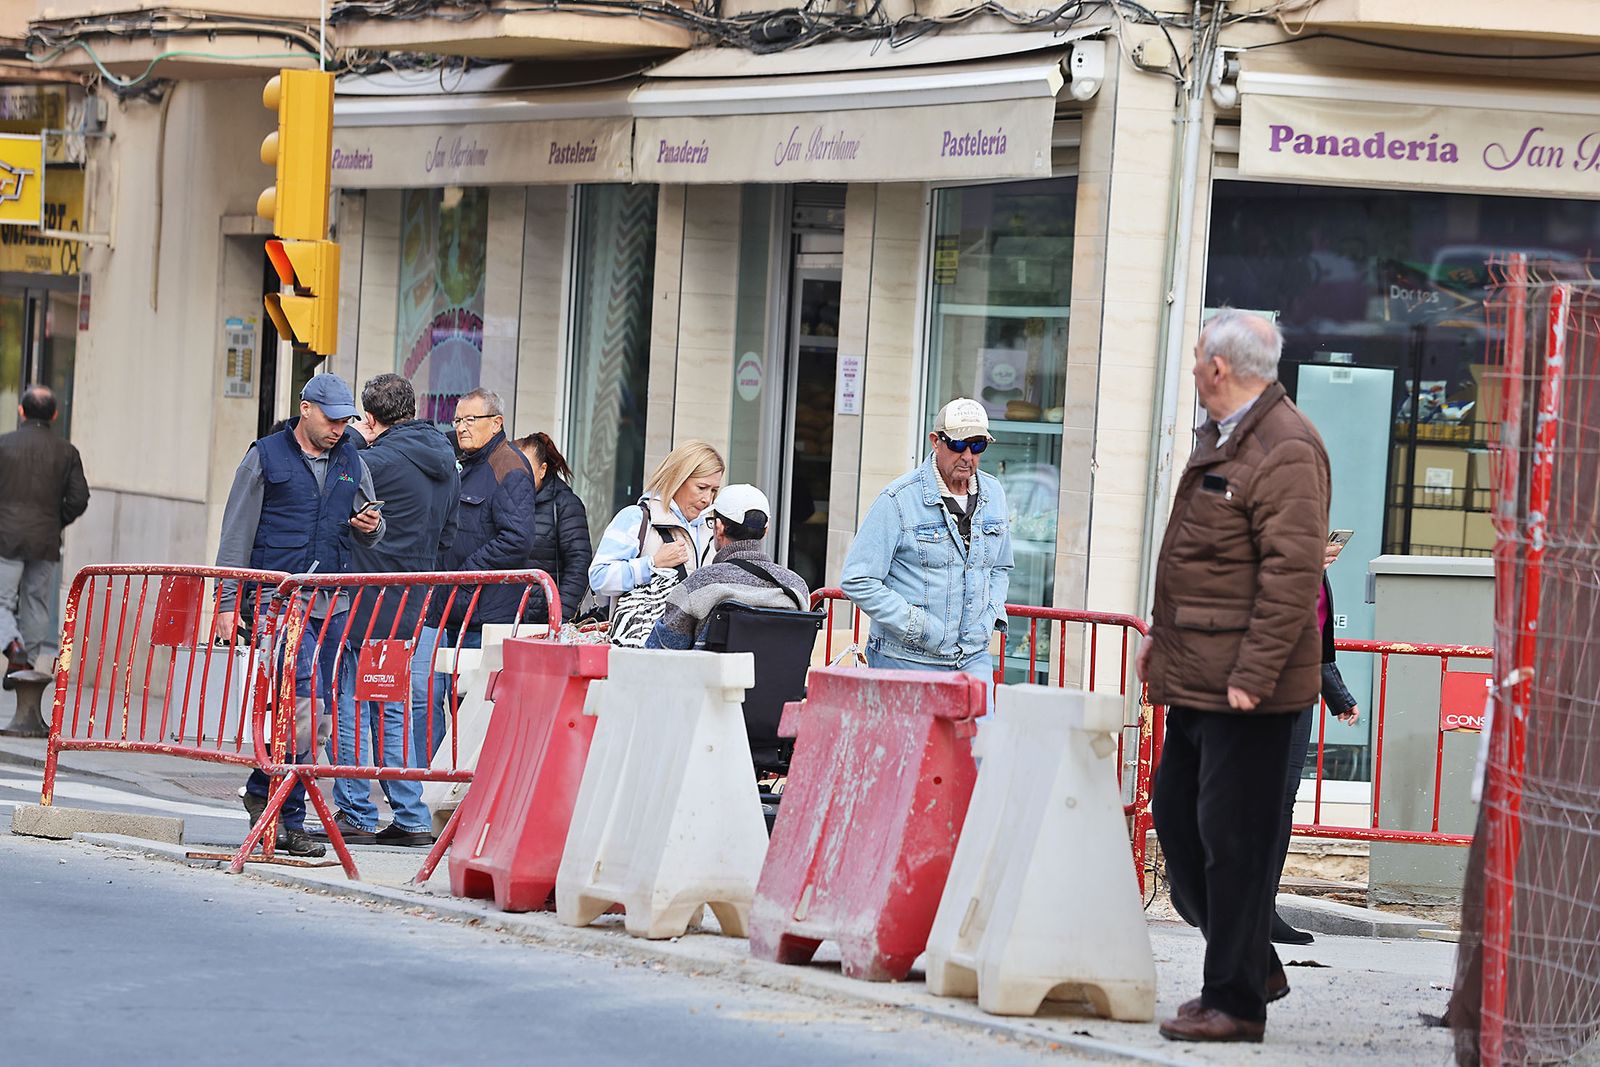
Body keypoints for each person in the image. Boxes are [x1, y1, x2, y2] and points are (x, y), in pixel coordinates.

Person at [1137, 308, 1330, 1044]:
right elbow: (1204, 560)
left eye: (1195, 362)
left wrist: (1254, 671)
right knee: (1178, 818)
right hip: (1197, 674)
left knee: (1233, 841)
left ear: (1219, 366)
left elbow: (1292, 574)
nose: (1191, 371)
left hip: (1248, 689)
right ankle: (1249, 961)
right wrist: (1162, 637)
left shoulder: (1284, 446)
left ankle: (1235, 1000)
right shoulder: (1226, 436)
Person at [216, 373, 385, 858]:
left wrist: (372, 526)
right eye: (331, 419)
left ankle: (263, 793)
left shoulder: (352, 457)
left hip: (332, 602)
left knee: (315, 712)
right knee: (303, 701)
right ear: (306, 409)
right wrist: (226, 603)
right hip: (279, 602)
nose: (339, 428)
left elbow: (372, 524)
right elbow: (235, 534)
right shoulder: (264, 456)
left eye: (346, 420)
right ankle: (289, 818)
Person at [319, 374, 459, 848]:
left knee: (350, 704)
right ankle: (411, 814)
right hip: (411, 597)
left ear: (371, 418)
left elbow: (339, 519)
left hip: (363, 596)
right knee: (394, 706)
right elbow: (448, 536)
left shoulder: (370, 461)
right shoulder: (448, 463)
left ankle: (357, 809)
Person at [839, 397, 1013, 713]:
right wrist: (915, 624)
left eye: (977, 445)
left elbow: (1000, 567)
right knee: (909, 759)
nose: (967, 455)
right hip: (906, 660)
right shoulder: (898, 499)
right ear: (936, 441)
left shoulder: (994, 494)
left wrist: (989, 616)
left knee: (978, 758)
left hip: (972, 659)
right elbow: (857, 579)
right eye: (958, 443)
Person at [416, 387, 535, 761]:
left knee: (468, 706)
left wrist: (467, 573)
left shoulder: (509, 467)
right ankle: (430, 786)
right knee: (427, 696)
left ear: (496, 423)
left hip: (482, 611)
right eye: (457, 420)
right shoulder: (458, 460)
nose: (462, 428)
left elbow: (517, 539)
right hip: (446, 605)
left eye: (471, 420)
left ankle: (462, 786)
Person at [1269, 539, 1360, 945]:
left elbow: (1315, 641)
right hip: (1265, 694)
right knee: (1260, 800)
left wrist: (1338, 696)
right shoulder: (1277, 562)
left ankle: (1260, 907)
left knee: (1281, 800)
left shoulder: (1314, 572)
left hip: (1299, 694)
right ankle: (1234, 903)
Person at [644, 484, 809, 650]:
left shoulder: (699, 584)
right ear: (766, 530)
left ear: (719, 527)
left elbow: (660, 652)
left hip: (711, 676)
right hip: (777, 677)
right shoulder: (797, 587)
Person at [0, 385, 89, 682]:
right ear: (54, 414)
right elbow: (79, 498)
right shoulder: (67, 452)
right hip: (46, 541)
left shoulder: (4, 445)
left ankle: (12, 646)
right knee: (37, 603)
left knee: (2, 600)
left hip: (6, 538)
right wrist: (56, 521)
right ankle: (25, 666)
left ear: (21, 411)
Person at [588, 440, 723, 607]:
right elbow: (599, 578)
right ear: (677, 479)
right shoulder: (636, 518)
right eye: (701, 487)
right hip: (641, 631)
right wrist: (652, 564)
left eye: (714, 490)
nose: (707, 499)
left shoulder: (711, 529)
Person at [515, 432, 593, 624]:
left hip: (545, 618)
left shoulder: (565, 504)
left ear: (542, 470)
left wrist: (559, 617)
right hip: (507, 615)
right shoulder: (507, 500)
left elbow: (579, 564)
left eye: (526, 469)